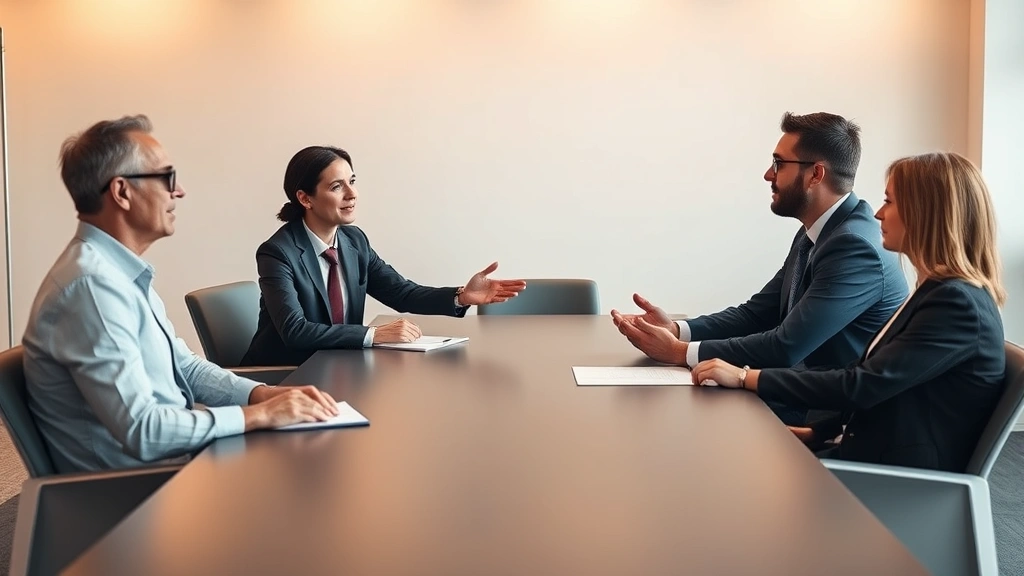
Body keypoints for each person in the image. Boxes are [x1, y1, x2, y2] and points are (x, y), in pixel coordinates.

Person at [22, 115, 341, 473]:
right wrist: (256, 415)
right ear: (122, 192)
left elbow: (184, 367)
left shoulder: (118, 274)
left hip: (177, 467)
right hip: (136, 496)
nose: (179, 191)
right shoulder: (92, 288)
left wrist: (260, 394)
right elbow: (143, 431)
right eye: (167, 177)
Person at [692, 152, 1006, 472]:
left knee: (721, 466)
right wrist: (822, 430)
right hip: (871, 453)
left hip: (898, 480)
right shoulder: (939, 291)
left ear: (926, 213)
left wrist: (745, 377)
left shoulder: (956, 304)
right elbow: (878, 379)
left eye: (890, 202)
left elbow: (861, 385)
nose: (880, 214)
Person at [612, 112, 908, 423]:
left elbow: (787, 346)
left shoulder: (853, 245)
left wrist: (679, 352)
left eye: (779, 163)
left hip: (826, 417)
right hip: (797, 397)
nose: (769, 174)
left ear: (815, 175)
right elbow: (757, 313)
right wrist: (676, 329)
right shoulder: (819, 232)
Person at [242, 146, 526, 366]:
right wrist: (373, 335)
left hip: (340, 367)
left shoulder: (354, 242)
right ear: (305, 198)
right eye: (336, 186)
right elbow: (295, 331)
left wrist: (461, 296)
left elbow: (401, 293)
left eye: (352, 181)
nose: (352, 194)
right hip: (285, 377)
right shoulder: (279, 252)